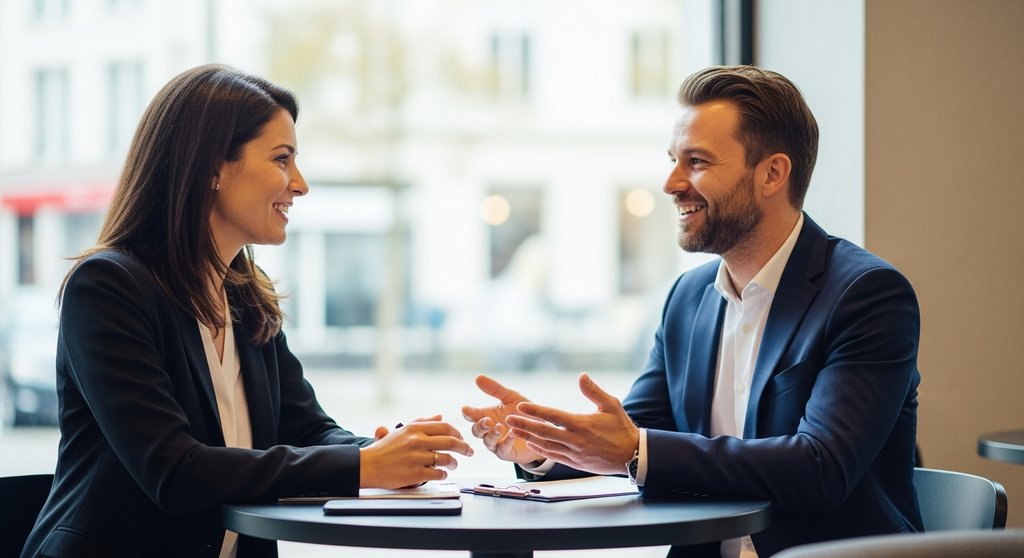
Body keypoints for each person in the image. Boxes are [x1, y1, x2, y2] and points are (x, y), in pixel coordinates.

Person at [462, 65, 922, 557]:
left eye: (696, 162)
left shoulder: (866, 295)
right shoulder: (688, 297)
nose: (671, 183)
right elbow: (636, 433)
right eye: (673, 160)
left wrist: (636, 450)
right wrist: (543, 446)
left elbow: (821, 468)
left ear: (773, 174)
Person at [21, 64, 473, 558]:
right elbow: (173, 471)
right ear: (212, 167)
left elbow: (306, 429)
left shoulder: (243, 297)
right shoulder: (108, 289)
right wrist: (363, 467)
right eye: (282, 159)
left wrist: (383, 451)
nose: (299, 184)